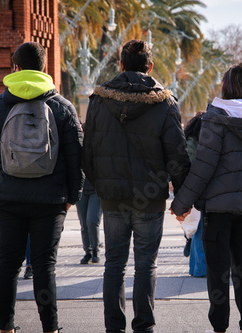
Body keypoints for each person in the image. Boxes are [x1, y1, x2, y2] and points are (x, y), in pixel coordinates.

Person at [82, 39, 190, 333]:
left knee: (113, 264)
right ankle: (144, 326)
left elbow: (87, 152)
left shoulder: (99, 100)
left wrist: (101, 186)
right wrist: (181, 195)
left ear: (120, 66)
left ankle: (113, 327)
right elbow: (177, 155)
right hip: (150, 199)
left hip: (112, 198)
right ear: (150, 67)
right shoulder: (164, 103)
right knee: (146, 264)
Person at [0, 41, 84, 333]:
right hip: (50, 201)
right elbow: (76, 155)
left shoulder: (0, 104)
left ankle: (6, 328)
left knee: (8, 265)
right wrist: (71, 197)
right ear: (45, 67)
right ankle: (50, 328)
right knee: (44, 266)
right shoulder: (62, 106)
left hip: (9, 198)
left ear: (16, 67)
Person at [171, 63, 242, 333]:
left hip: (217, 209)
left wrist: (181, 203)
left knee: (218, 274)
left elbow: (203, 166)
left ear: (226, 87)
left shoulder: (215, 118)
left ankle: (219, 329)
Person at [183, 111, 207, 278]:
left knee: (196, 231)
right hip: (199, 191)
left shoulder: (190, 141)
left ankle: (195, 268)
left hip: (192, 191)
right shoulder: (196, 144)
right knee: (199, 231)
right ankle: (200, 269)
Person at [77, 176, 102, 264]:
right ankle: (88, 252)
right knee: (84, 223)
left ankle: (95, 250)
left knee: (92, 221)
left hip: (96, 190)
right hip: (80, 189)